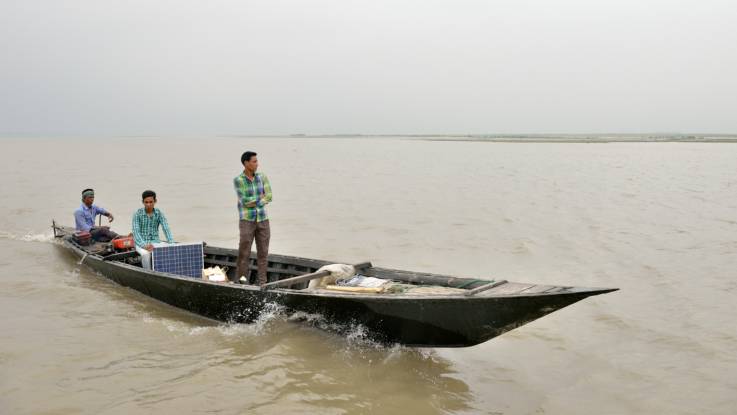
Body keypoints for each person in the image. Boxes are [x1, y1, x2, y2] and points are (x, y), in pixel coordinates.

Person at [234, 151, 272, 284]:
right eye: (254, 161)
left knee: (263, 254)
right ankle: (242, 282)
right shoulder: (238, 180)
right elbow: (244, 201)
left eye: (257, 161)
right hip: (246, 221)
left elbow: (269, 196)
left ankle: (263, 283)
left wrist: (256, 200)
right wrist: (260, 198)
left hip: (263, 220)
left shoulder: (262, 177)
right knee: (244, 253)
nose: (257, 164)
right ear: (246, 163)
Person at [132, 190, 175, 270]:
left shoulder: (159, 213)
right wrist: (144, 245)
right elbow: (136, 232)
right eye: (146, 202)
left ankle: (164, 271)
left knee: (167, 250)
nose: (149, 204)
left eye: (151, 202)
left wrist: (171, 242)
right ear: (143, 202)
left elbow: (166, 228)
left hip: (155, 241)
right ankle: (148, 272)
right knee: (145, 254)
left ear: (155, 201)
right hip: (140, 242)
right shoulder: (137, 214)